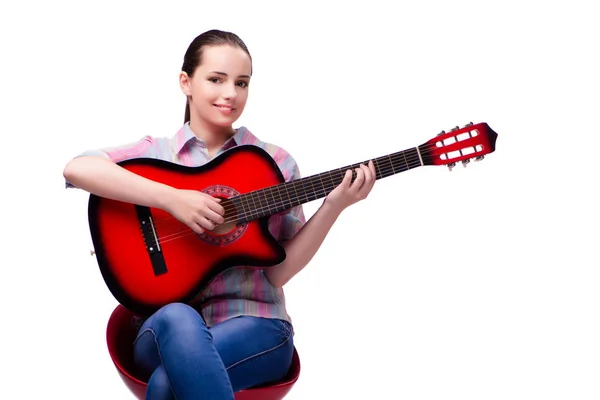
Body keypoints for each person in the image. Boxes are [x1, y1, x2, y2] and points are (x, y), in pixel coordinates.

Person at [63, 29, 377, 400]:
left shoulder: (274, 163)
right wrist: (173, 199)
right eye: (216, 79)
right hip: (162, 328)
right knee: (178, 317)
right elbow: (77, 169)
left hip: (258, 325)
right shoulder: (157, 154)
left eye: (241, 83)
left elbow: (277, 272)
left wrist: (333, 206)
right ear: (186, 82)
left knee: (167, 384)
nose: (230, 93)